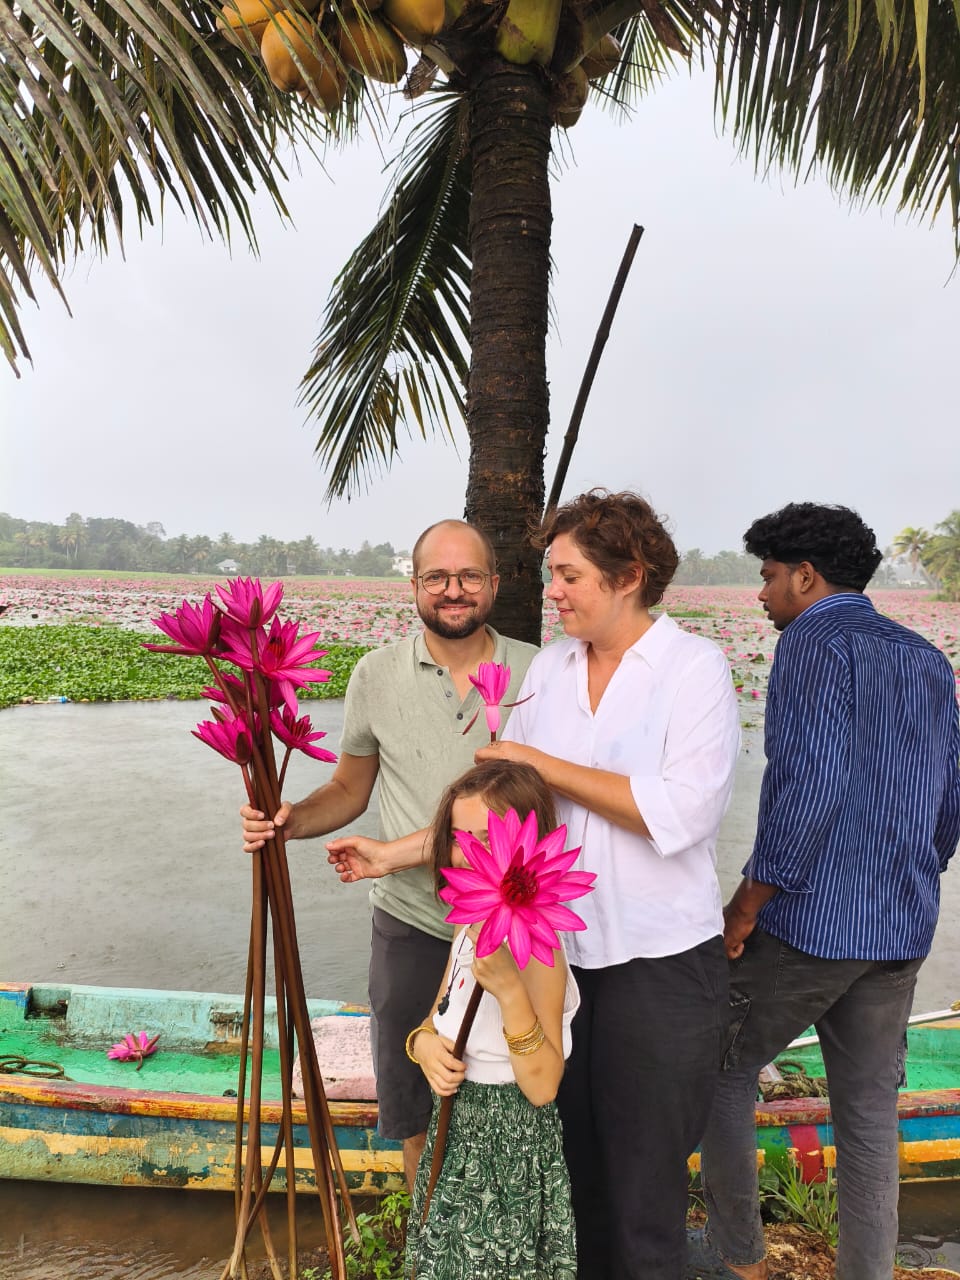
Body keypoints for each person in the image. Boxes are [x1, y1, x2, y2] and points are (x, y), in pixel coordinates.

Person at [477, 489, 741, 1280]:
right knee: (574, 1171)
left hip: (660, 967)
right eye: (550, 574)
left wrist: (543, 765)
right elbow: (511, 805)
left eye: (567, 575)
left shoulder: (693, 669)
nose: (551, 591)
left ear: (628, 575)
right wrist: (397, 853)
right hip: (555, 957)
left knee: (645, 1191)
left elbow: (682, 812)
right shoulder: (550, 669)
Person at [693, 502, 960, 1280]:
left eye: (770, 576)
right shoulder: (924, 658)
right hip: (902, 927)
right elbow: (949, 800)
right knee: (870, 1115)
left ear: (806, 576)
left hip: (811, 925)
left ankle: (738, 1259)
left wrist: (745, 906)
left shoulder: (813, 642)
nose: (763, 595)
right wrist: (910, 873)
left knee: (720, 1066)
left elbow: (804, 789)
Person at [240, 519, 537, 1189]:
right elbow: (349, 788)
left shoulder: (535, 670)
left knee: (514, 1092)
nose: (452, 591)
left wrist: (393, 852)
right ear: (414, 586)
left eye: (467, 577)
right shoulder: (375, 675)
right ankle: (428, 1235)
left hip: (510, 927)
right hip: (411, 925)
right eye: (436, 577)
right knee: (411, 1107)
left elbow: (534, 812)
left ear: (494, 583)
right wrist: (289, 820)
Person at [403, 759, 579, 1280]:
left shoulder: (542, 951)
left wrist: (507, 989)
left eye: (487, 837)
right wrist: (424, 1048)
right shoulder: (467, 926)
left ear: (529, 850)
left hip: (512, 1146)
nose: (470, 853)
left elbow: (544, 1084)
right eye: (459, 838)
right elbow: (433, 1022)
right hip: (455, 1130)